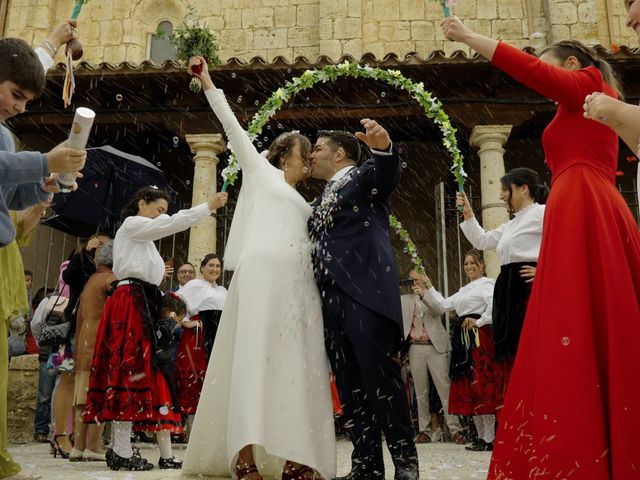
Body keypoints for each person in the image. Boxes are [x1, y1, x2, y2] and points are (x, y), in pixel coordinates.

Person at [442, 16, 640, 479]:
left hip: (586, 204)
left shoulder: (587, 85)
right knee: (576, 324)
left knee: (585, 320)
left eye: (552, 67)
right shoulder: (575, 106)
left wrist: (471, 38)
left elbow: (530, 70)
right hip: (579, 204)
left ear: (572, 64)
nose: (545, 79)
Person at [182, 57, 336, 480]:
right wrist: (208, 81)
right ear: (286, 153)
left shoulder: (308, 204)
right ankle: (244, 457)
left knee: (292, 367)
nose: (310, 160)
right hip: (259, 280)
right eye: (306, 151)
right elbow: (232, 126)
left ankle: (295, 457)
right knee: (251, 363)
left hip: (297, 288)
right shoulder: (261, 172)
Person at [83, 186, 228, 471]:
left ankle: (122, 447)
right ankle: (121, 449)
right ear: (141, 203)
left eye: (162, 211)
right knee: (129, 367)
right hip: (131, 300)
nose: (160, 216)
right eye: (158, 209)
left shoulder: (144, 239)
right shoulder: (132, 224)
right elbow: (170, 224)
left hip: (143, 300)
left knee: (137, 368)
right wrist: (205, 207)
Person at [309, 127, 418, 480]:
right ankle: (366, 464)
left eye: (318, 148)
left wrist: (383, 146)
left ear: (339, 154)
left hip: (366, 293)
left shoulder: (364, 177)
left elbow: (387, 170)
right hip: (330, 297)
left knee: (381, 378)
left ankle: (405, 462)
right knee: (349, 382)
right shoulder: (320, 197)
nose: (311, 154)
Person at [0, 22, 83, 480]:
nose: (19, 106)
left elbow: (8, 197)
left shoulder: (5, 133)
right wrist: (45, 161)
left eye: (27, 102)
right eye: (16, 95)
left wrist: (41, 184)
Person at [456, 167, 546, 410]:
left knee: (529, 349)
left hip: (526, 288)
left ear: (524, 188)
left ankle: (535, 405)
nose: (501, 195)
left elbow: (563, 242)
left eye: (506, 189)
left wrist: (544, 271)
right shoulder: (511, 225)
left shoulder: (542, 212)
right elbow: (482, 241)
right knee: (510, 352)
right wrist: (468, 214)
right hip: (508, 290)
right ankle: (517, 408)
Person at [419, 251, 497, 452]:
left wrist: (478, 321)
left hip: (479, 337)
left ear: (481, 265)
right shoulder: (463, 290)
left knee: (482, 385)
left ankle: (490, 437)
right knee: (470, 385)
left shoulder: (487, 284)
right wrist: (428, 285)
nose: (469, 267)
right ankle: (480, 437)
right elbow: (444, 304)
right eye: (466, 263)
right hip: (463, 341)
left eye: (473, 263)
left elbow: (493, 306)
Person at [401, 271, 465, 445]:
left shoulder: (432, 295)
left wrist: (424, 295)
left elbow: (439, 310)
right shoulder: (404, 300)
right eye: (412, 279)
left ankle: (455, 429)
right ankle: (424, 430)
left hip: (435, 346)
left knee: (445, 388)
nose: (415, 282)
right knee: (421, 391)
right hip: (416, 347)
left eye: (418, 279)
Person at [69, 239, 115, 462]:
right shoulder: (110, 280)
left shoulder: (92, 280)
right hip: (101, 344)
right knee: (98, 394)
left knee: (81, 397)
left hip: (84, 343)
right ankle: (94, 446)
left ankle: (78, 446)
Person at [174, 253, 227, 425]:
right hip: (198, 339)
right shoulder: (195, 285)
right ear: (202, 268)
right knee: (195, 380)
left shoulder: (222, 290)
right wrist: (185, 322)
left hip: (218, 338)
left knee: (214, 382)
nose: (214, 269)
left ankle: (211, 428)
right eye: (211, 265)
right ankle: (193, 430)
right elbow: (173, 301)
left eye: (218, 266)